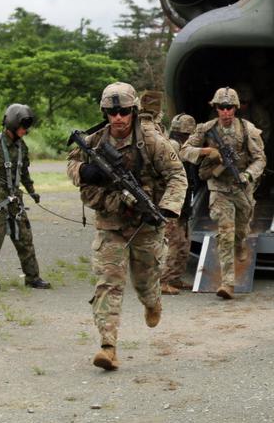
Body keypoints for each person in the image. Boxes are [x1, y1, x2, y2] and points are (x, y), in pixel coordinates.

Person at [66, 82, 187, 371]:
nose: (117, 118)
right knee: (108, 283)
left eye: (123, 112)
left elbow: (177, 176)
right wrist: (84, 170)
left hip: (146, 224)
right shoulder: (95, 141)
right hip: (110, 224)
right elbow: (72, 161)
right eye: (111, 112)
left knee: (145, 282)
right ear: (105, 113)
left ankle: (152, 301)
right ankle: (108, 347)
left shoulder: (151, 140)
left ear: (133, 111)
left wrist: (165, 209)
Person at [179, 87, 266, 300]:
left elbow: (260, 159)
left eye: (229, 107)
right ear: (216, 108)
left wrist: (247, 175)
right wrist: (206, 152)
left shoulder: (247, 130)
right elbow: (183, 151)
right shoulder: (206, 129)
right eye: (221, 107)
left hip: (242, 186)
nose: (225, 112)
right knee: (225, 232)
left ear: (235, 108)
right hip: (218, 187)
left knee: (240, 228)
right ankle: (228, 282)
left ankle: (241, 241)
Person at [0, 104, 50, 291]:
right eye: (23, 126)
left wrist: (32, 191)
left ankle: (32, 277)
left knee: (25, 238)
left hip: (16, 197)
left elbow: (24, 173)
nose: (26, 131)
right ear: (13, 124)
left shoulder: (22, 147)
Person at [161, 113, 198, 295]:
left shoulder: (177, 145)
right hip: (173, 204)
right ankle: (163, 280)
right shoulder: (175, 147)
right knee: (174, 243)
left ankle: (175, 277)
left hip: (182, 203)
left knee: (183, 243)